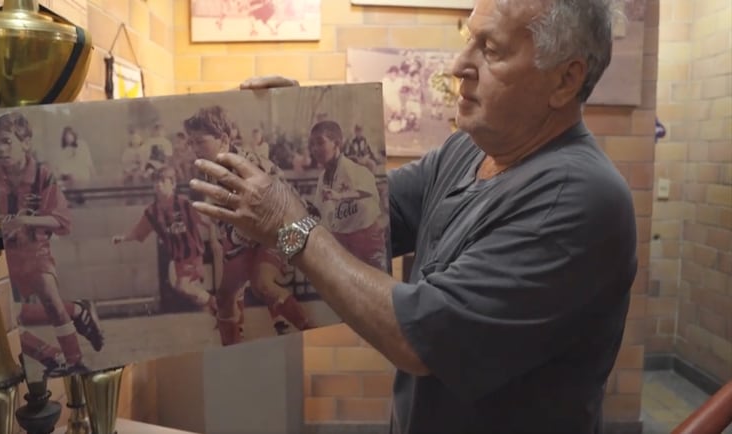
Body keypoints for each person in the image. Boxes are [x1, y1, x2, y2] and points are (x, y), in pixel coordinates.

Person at [189, 0, 638, 432]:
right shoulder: (468, 151)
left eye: (492, 49)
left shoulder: (578, 198)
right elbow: (366, 224)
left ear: (565, 80)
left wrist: (290, 226)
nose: (458, 64)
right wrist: (288, 151)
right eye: (469, 40)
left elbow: (419, 337)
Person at [183, 105, 316, 345]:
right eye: (191, 143)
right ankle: (232, 349)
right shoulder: (212, 166)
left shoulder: (246, 166)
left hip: (285, 226)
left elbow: (273, 211)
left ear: (224, 140)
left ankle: (313, 333)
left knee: (262, 284)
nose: (194, 149)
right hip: (254, 232)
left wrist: (233, 240)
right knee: (225, 296)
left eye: (200, 142)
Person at [0, 112, 104, 378]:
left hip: (35, 251)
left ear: (26, 143)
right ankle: (54, 351)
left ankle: (75, 362)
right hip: (5, 256)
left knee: (51, 301)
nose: (0, 149)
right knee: (6, 319)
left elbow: (62, 221)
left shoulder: (42, 175)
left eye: (6, 141)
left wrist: (25, 220)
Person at [112, 165, 222, 312]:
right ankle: (217, 310)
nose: (159, 184)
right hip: (178, 259)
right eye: (156, 181)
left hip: (193, 255)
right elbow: (138, 232)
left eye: (163, 181)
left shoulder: (184, 204)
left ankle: (213, 301)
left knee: (183, 286)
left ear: (173, 184)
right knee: (187, 291)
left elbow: (208, 221)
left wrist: (215, 240)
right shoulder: (152, 212)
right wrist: (123, 238)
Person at [308, 120, 387, 271]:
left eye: (320, 143)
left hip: (366, 240)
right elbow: (317, 211)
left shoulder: (354, 169)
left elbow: (368, 191)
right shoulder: (323, 178)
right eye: (312, 144)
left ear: (336, 144)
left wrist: (340, 196)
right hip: (341, 242)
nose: (315, 149)